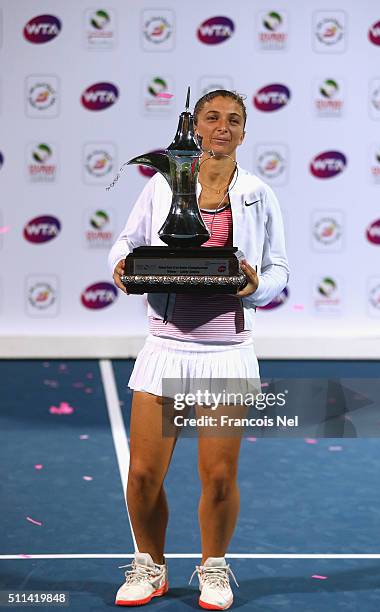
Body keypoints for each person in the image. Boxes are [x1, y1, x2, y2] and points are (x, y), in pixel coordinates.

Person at [109, 90, 289, 609]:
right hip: (166, 347)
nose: (223, 127)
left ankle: (213, 567)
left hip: (225, 352)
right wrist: (121, 268)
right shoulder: (161, 186)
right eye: (213, 117)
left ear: (244, 132)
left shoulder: (258, 192)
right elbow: (126, 245)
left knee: (217, 477)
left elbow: (278, 268)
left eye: (234, 120)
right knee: (143, 474)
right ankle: (151, 566)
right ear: (195, 125)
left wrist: (254, 286)